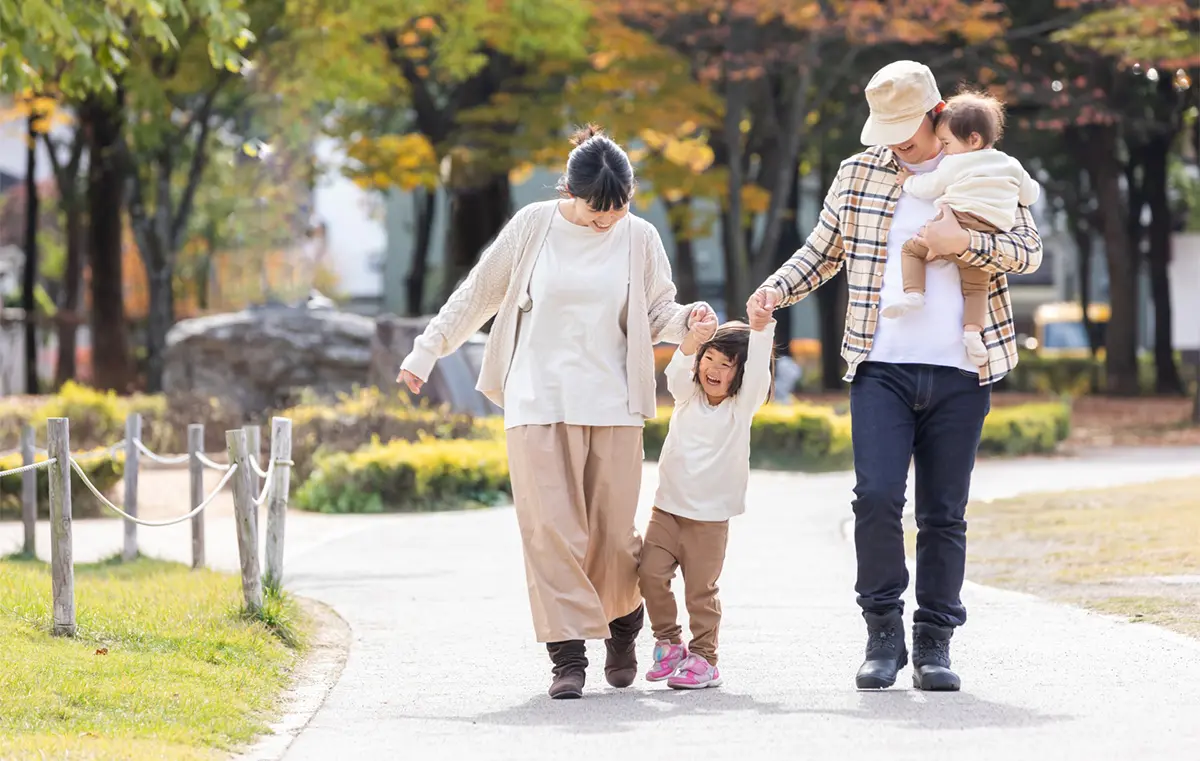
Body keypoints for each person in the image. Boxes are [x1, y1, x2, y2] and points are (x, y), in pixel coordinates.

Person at [746, 61, 1042, 692]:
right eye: (888, 135)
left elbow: (1028, 251)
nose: (897, 146)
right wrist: (774, 289)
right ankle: (883, 631)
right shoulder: (859, 173)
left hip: (963, 368)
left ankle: (935, 642)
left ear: (939, 116)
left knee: (944, 514)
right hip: (881, 365)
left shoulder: (987, 166)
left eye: (907, 134)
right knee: (876, 498)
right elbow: (823, 251)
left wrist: (962, 246)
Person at [397, 125, 712, 700]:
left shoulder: (639, 237)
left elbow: (660, 309)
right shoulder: (533, 227)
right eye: (596, 213)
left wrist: (690, 321)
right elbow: (478, 293)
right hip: (537, 398)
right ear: (569, 190)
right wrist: (427, 350)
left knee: (612, 537)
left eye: (616, 213)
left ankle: (623, 623)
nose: (605, 223)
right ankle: (567, 656)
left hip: (613, 405)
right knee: (549, 530)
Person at [639, 312, 775, 690]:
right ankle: (668, 643)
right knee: (649, 575)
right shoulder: (688, 396)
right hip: (666, 509)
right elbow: (675, 373)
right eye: (708, 359)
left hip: (710, 520)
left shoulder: (739, 408)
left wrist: (762, 326)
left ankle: (705, 659)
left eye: (725, 364)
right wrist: (691, 341)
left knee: (700, 592)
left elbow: (760, 373)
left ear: (741, 373)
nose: (712, 369)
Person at [887, 89, 1041, 367]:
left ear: (973, 139)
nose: (944, 150)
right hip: (987, 235)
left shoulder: (954, 163)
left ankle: (913, 295)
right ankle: (973, 334)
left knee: (911, 250)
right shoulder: (1011, 165)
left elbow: (927, 187)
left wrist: (906, 180)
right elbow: (1030, 195)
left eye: (946, 143)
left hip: (956, 220)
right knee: (976, 289)